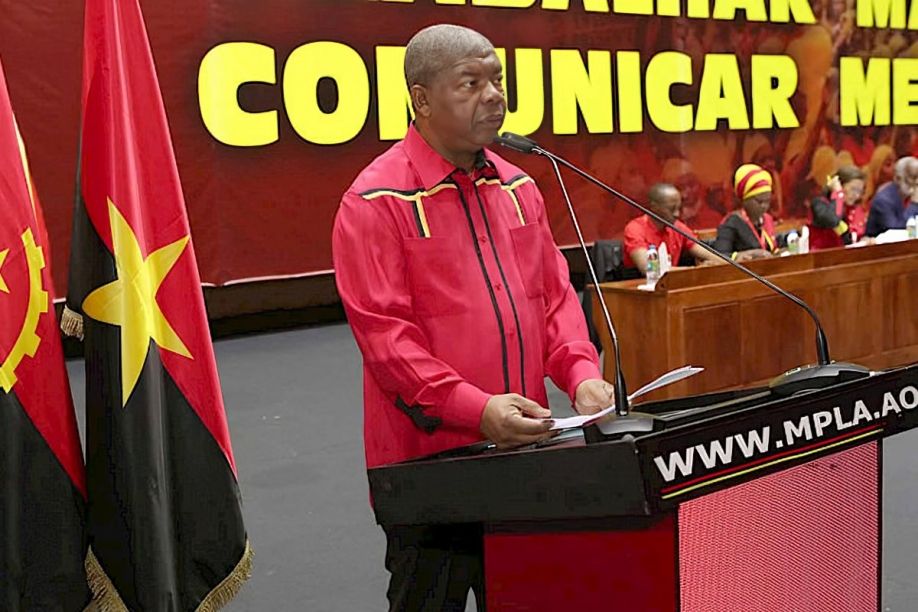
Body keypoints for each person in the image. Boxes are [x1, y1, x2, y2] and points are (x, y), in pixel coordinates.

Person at [332, 24, 614, 612]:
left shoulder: (519, 187)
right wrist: (476, 409)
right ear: (422, 99)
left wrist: (581, 374)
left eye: (497, 81)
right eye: (471, 83)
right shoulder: (375, 202)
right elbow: (388, 342)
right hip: (428, 465)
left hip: (524, 450)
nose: (493, 96)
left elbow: (554, 300)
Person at [623, 183, 721, 273]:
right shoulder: (635, 229)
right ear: (654, 207)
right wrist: (694, 270)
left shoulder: (677, 227)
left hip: (670, 282)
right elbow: (648, 269)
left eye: (679, 208)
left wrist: (718, 263)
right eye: (671, 209)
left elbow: (709, 255)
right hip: (639, 283)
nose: (677, 214)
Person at [713, 164, 784, 261]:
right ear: (744, 200)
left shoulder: (767, 219)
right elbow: (718, 257)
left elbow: (774, 249)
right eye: (759, 201)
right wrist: (744, 255)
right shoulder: (731, 223)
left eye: (767, 201)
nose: (764, 206)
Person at [807, 165, 867, 250]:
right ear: (840, 185)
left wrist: (865, 240)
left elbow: (856, 237)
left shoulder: (856, 209)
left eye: (860, 191)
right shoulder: (819, 203)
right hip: (822, 255)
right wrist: (838, 193)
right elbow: (833, 220)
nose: (856, 195)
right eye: (853, 189)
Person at [865, 156, 918, 237]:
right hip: (881, 244)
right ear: (898, 178)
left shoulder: (908, 195)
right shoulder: (883, 201)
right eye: (913, 178)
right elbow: (896, 230)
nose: (917, 182)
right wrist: (914, 204)